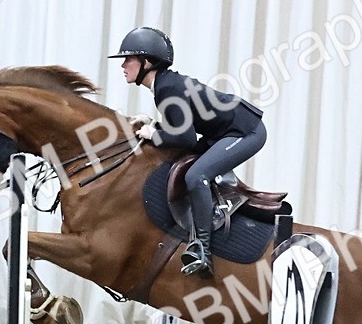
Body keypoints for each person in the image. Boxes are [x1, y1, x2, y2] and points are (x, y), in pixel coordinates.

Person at [109, 26, 266, 277]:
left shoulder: (167, 89)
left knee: (196, 176)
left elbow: (185, 137)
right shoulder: (164, 86)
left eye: (128, 59)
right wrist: (156, 126)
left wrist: (154, 134)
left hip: (246, 131)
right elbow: (183, 132)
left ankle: (202, 249)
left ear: (147, 62)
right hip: (223, 132)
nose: (123, 65)